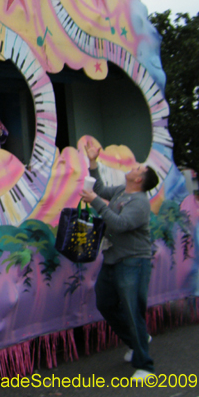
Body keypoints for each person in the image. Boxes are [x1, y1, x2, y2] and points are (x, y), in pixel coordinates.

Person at [80, 139, 159, 381]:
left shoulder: (140, 203)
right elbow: (101, 189)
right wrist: (93, 162)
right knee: (105, 303)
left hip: (133, 261)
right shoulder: (122, 192)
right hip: (113, 259)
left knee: (133, 310)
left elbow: (120, 224)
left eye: (138, 168)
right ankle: (137, 341)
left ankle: (145, 365)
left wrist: (95, 202)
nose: (134, 167)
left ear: (139, 179)